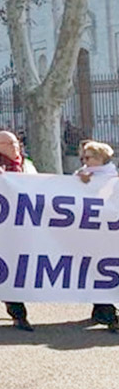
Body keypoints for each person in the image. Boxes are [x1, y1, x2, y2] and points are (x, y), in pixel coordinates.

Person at [0, 130, 37, 331]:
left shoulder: (28, 165)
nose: (14, 146)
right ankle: (18, 314)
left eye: (15, 142)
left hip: (28, 227)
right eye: (7, 144)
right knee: (9, 269)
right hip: (4, 230)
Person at [72, 140, 118, 332]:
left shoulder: (113, 177)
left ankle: (103, 310)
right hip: (90, 235)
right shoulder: (80, 175)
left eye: (88, 157)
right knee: (96, 271)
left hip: (110, 234)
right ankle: (105, 313)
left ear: (101, 158)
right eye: (83, 157)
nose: (84, 161)